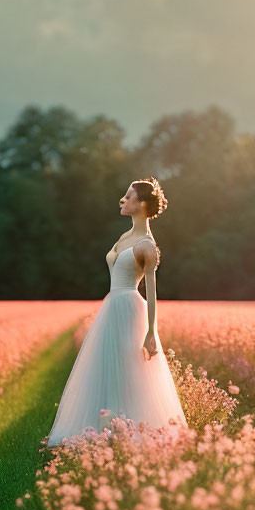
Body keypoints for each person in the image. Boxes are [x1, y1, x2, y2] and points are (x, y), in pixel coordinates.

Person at [45, 176, 187, 448]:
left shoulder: (146, 245)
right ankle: (105, 432)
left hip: (129, 308)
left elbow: (152, 293)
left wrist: (151, 332)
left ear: (142, 204)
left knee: (128, 369)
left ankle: (127, 434)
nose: (123, 199)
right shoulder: (124, 237)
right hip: (111, 305)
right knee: (106, 367)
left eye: (129, 195)